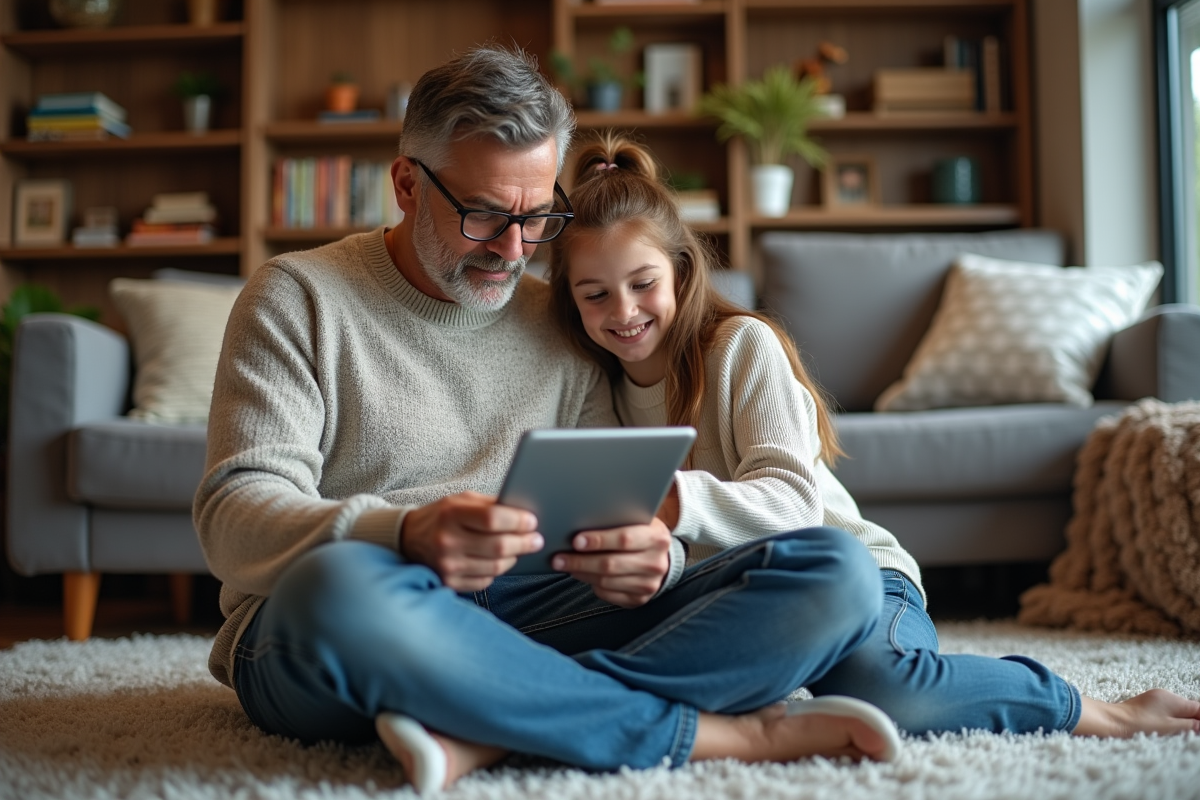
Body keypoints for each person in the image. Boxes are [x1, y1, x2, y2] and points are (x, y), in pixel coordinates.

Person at [195, 46, 906, 797]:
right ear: (406, 184)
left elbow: (606, 499)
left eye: (538, 219)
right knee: (335, 586)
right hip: (365, 613)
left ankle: (495, 723)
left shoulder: (562, 316)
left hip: (537, 608)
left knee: (836, 571)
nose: (513, 252)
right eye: (484, 215)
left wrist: (651, 558)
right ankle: (719, 735)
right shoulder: (296, 297)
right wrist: (402, 532)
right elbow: (231, 520)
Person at [546, 130, 1200, 745]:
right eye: (596, 294)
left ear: (682, 273)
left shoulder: (739, 346)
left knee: (890, 692)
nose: (624, 312)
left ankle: (1101, 709)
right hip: (732, 592)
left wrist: (673, 501)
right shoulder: (591, 387)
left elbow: (793, 506)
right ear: (570, 301)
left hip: (856, 575)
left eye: (643, 284)